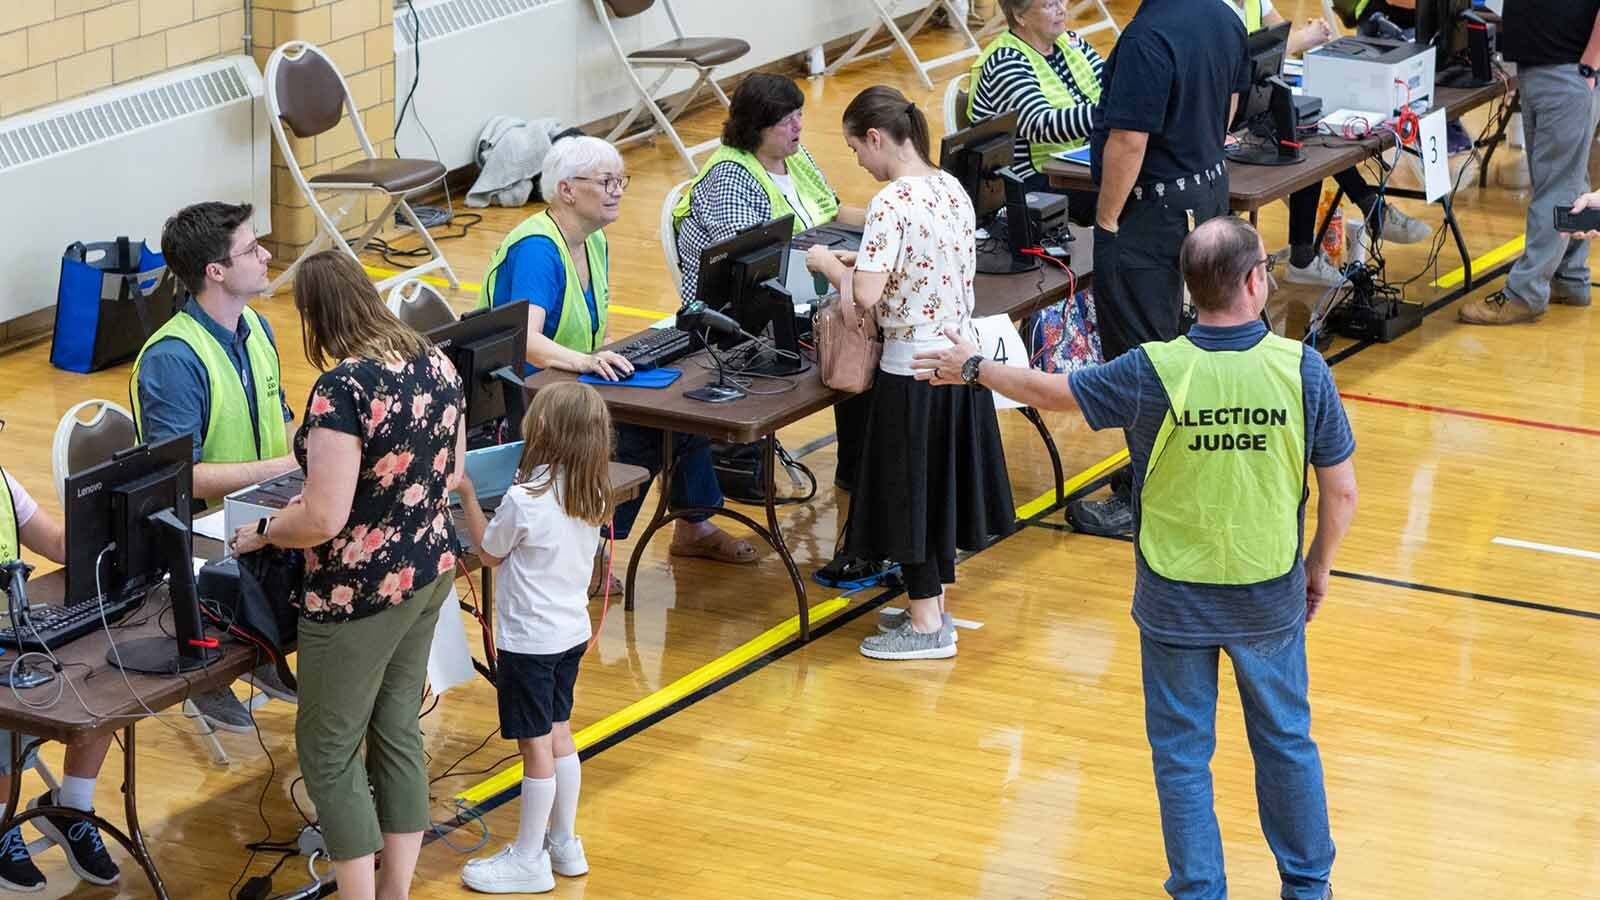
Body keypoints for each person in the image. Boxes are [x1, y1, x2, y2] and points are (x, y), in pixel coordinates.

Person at [914, 216, 1357, 900]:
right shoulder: (1303, 370)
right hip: (1269, 592)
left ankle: (1199, 889)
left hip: (1174, 594)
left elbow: (1052, 392)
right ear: (1253, 281)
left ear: (1191, 289)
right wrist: (1318, 567)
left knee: (1182, 757)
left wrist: (972, 366)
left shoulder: (1152, 369)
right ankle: (1308, 887)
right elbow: (1342, 491)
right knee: (1286, 743)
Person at [231, 250, 465, 900]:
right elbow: (451, 473)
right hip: (428, 569)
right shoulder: (435, 361)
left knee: (329, 755)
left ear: (316, 316)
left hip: (356, 594)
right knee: (396, 731)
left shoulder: (344, 388)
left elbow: (323, 518)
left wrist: (263, 532)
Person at [480, 136, 756, 598]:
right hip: (530, 401)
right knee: (642, 433)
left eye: (620, 181)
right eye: (606, 181)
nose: (618, 190)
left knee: (682, 406)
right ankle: (594, 547)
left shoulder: (593, 240)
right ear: (567, 190)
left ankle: (694, 525)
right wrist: (587, 361)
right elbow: (524, 342)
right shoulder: (536, 250)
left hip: (573, 384)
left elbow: (589, 329)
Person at [806, 86, 1015, 661]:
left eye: (856, 151)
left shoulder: (890, 203)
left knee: (911, 492)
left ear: (876, 138)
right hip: (958, 356)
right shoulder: (949, 185)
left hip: (911, 367)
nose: (860, 164)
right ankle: (936, 603)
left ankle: (925, 626)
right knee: (939, 486)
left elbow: (863, 301)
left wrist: (830, 265)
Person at [666, 74, 882, 591]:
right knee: (870, 341)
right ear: (756, 126)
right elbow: (755, 262)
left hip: (814, 280)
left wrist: (892, 217)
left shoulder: (796, 158)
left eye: (799, 115)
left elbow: (833, 213)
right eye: (786, 120)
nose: (797, 127)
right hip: (756, 315)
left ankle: (866, 475)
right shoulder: (729, 177)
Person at [1072, 0, 1249, 538]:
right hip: (1208, 193)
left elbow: (1129, 139)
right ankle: (1184, 470)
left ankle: (1150, 499)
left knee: (1145, 356)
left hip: (1152, 217)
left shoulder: (1145, 38)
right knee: (1196, 346)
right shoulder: (1224, 17)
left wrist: (1106, 220)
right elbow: (1233, 106)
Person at [130, 201, 299, 733]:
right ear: (216, 271)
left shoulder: (259, 329)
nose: (267, 254)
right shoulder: (172, 359)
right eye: (252, 249)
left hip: (267, 513)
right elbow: (180, 477)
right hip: (207, 540)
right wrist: (285, 466)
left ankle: (273, 647)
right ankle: (222, 663)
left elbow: (285, 421)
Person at [453, 383, 607, 893]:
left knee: (534, 745)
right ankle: (564, 843)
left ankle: (528, 858)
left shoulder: (524, 499)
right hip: (569, 633)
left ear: (542, 432)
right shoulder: (593, 491)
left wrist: (470, 495)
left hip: (528, 642)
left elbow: (490, 553)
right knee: (561, 733)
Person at [1228, 0, 1432, 287]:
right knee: (1304, 135)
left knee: (1312, 126)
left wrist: (1308, 32)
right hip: (1230, 117)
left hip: (1257, 102)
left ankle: (1358, 220)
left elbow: (1276, 36)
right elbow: (1239, 58)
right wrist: (1304, 37)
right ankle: (1371, 212)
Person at [0, 464, 120, 891]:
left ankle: (70, 807)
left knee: (104, 669)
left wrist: (102, 513)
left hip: (10, 630)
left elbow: (55, 543)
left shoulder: (4, 482)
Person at [1458, 0, 1600, 324]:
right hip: (1547, 69)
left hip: (1569, 73)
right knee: (1569, 181)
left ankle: (1525, 294)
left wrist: (1589, 66)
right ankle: (1570, 277)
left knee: (1556, 188)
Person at [967, 0, 1103, 220]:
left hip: (1076, 166)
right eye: (1050, 4)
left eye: (1061, 0)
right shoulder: (1005, 61)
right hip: (1033, 182)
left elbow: (1115, 85)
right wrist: (1112, 113)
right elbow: (1042, 125)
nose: (1062, 9)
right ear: (1020, 16)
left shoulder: (1070, 41)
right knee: (1132, 191)